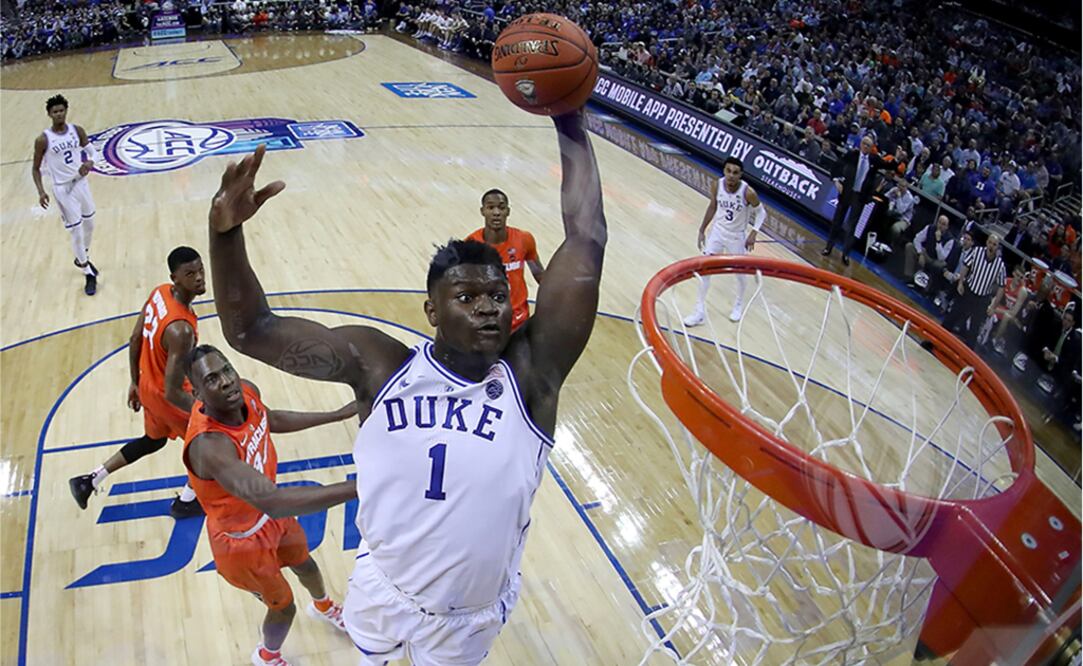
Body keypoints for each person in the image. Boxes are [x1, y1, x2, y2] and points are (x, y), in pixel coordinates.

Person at [205, 109, 606, 665]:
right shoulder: (380, 365)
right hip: (383, 586)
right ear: (431, 310)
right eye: (466, 297)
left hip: (468, 615)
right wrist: (225, 235)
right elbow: (251, 331)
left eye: (496, 296)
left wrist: (569, 121)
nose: (488, 307)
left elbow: (585, 241)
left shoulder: (530, 376)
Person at [182, 345, 358, 666]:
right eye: (212, 379)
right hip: (242, 542)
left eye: (227, 370)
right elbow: (274, 502)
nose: (225, 382)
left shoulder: (246, 391)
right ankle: (267, 656)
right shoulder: (211, 447)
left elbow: (270, 418)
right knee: (283, 606)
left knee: (305, 563)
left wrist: (337, 415)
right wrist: (360, 486)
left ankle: (324, 607)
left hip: (270, 517)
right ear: (197, 395)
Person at [69, 246, 206, 518]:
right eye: (190, 274)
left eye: (201, 270)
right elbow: (173, 389)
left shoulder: (159, 293)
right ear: (175, 278)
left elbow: (135, 339)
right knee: (209, 441)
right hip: (168, 395)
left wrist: (135, 382)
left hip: (146, 386)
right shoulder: (181, 329)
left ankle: (90, 480)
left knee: (153, 441)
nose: (199, 278)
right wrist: (207, 411)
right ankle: (187, 502)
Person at [683, 157, 766, 325]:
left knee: (740, 274)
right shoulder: (717, 185)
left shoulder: (748, 192)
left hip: (737, 236)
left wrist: (754, 233)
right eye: (728, 171)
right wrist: (702, 229)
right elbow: (713, 206)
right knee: (705, 269)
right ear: (724, 171)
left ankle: (739, 304)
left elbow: (761, 213)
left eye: (735, 173)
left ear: (741, 175)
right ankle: (699, 311)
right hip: (718, 232)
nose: (731, 175)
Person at [32, 94, 101, 295]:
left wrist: (90, 162)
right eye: (55, 111)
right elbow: (35, 168)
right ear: (49, 114)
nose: (59, 114)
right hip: (63, 189)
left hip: (81, 183)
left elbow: (93, 152)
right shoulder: (43, 139)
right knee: (76, 231)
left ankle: (82, 257)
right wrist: (41, 191)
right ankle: (88, 271)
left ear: (66, 111)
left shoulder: (77, 130)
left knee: (90, 224)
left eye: (61, 110)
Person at [466, 189, 545, 332]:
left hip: (519, 321)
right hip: (487, 320)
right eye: (491, 207)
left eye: (501, 208)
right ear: (482, 211)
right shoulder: (472, 244)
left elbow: (539, 274)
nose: (496, 212)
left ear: (508, 211)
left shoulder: (524, 239)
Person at [823, 135, 891, 265]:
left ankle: (846, 254)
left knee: (852, 227)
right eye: (864, 143)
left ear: (871, 148)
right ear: (860, 144)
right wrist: (836, 180)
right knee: (837, 221)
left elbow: (875, 179)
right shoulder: (852, 155)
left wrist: (870, 196)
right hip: (846, 192)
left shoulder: (873, 161)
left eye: (868, 145)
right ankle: (828, 247)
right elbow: (837, 166)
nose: (865, 146)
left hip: (859, 196)